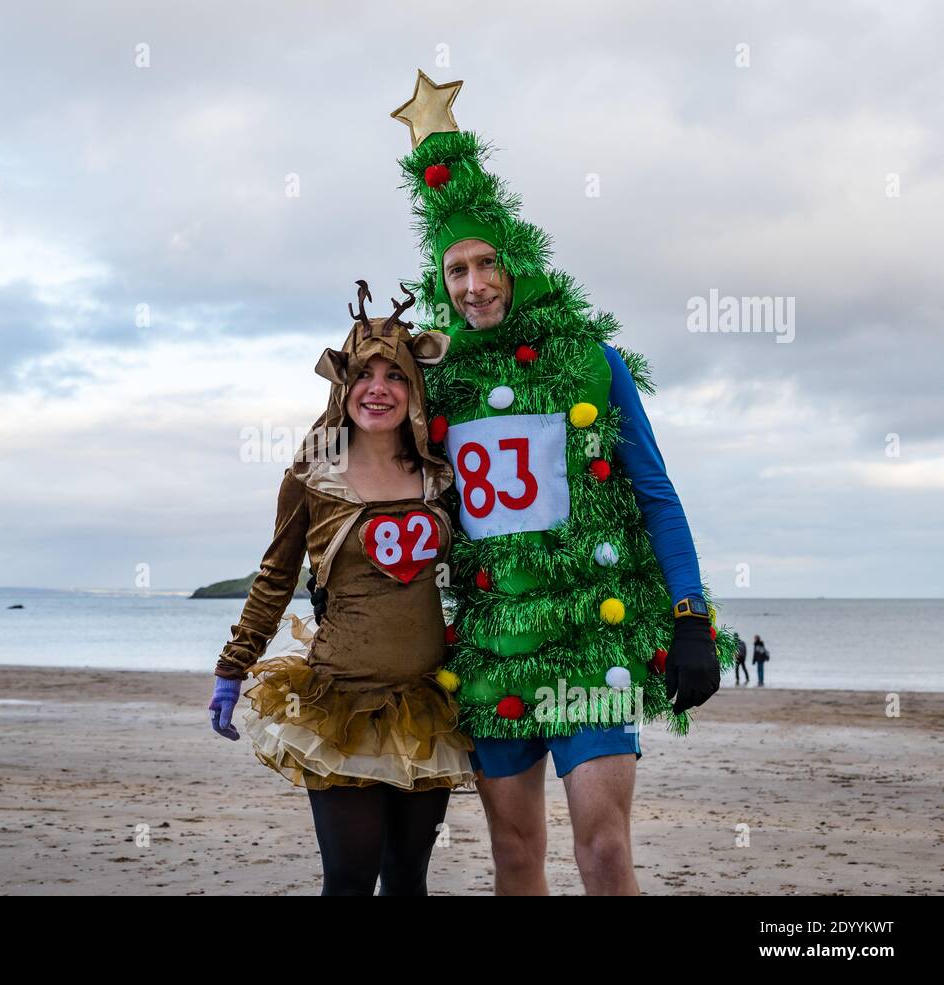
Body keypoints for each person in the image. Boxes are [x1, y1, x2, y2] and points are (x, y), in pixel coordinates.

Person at [387, 69, 735, 896]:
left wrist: (692, 615)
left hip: (587, 639)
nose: (473, 285)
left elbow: (656, 492)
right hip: (491, 642)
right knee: (515, 860)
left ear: (516, 261)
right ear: (441, 282)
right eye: (455, 271)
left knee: (605, 853)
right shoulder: (438, 381)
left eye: (485, 263)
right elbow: (391, 486)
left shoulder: (589, 360)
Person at [208, 280, 475, 896]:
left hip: (427, 705)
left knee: (409, 881)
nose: (378, 388)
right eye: (364, 374)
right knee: (350, 880)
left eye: (395, 375)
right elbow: (275, 575)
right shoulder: (312, 471)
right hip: (340, 704)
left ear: (414, 385)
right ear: (343, 385)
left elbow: (480, 566)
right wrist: (233, 666)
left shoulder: (440, 469)